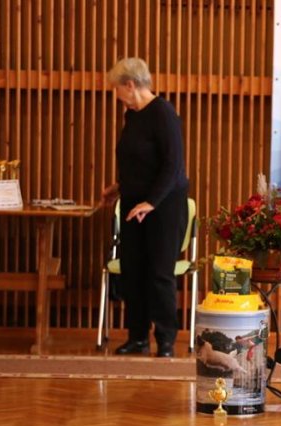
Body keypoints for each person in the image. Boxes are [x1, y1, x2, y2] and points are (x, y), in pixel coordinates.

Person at [100, 57, 189, 358]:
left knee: (159, 273)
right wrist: (119, 187)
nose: (116, 95)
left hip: (163, 206)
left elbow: (173, 166)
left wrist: (150, 203)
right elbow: (138, 162)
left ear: (130, 84)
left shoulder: (163, 113)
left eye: (117, 88)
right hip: (133, 205)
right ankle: (137, 337)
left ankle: (165, 340)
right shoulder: (132, 116)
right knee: (132, 271)